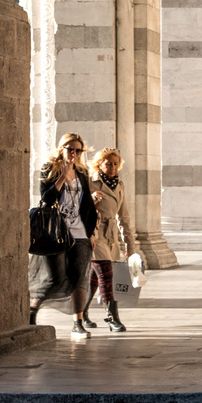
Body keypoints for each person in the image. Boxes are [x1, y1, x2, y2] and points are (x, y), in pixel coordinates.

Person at [27, 133, 98, 339]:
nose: (74, 154)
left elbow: (87, 206)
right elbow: (46, 200)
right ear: (62, 149)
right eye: (70, 149)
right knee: (56, 278)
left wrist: (90, 232)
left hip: (80, 233)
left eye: (78, 150)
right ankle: (33, 309)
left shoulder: (83, 173)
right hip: (55, 232)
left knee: (80, 276)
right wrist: (61, 178)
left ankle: (77, 323)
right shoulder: (49, 169)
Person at [85, 147, 137, 333]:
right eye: (108, 164)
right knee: (105, 272)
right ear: (99, 164)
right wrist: (92, 199)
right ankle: (112, 317)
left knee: (94, 276)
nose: (113, 168)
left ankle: (82, 311)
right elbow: (78, 207)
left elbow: (124, 217)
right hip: (94, 232)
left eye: (116, 164)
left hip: (111, 235)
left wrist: (130, 246)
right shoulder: (90, 182)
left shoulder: (120, 185)